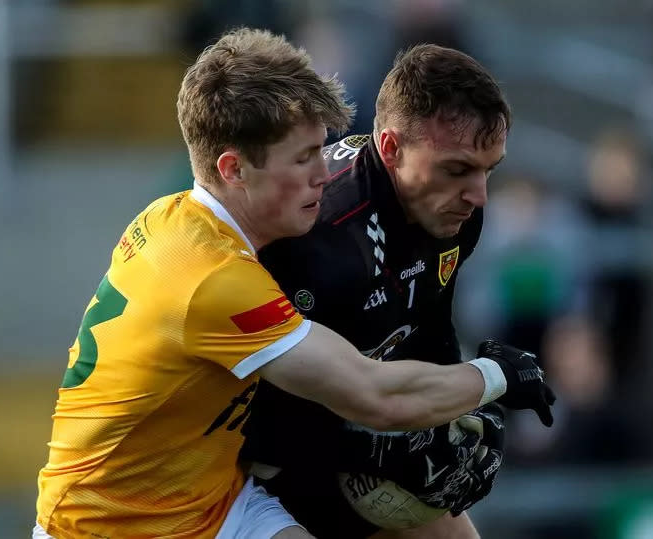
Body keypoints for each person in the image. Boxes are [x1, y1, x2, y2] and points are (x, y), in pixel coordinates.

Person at [33, 28, 555, 539]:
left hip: (216, 502)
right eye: (304, 158)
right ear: (234, 170)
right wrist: (496, 375)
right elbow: (371, 394)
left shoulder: (185, 221)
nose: (323, 174)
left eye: (322, 150)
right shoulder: (215, 279)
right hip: (107, 524)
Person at [240, 44, 554, 539]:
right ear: (391, 148)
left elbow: (425, 329)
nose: (478, 195)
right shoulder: (316, 235)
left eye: (488, 170)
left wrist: (463, 411)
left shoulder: (454, 211)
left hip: (347, 435)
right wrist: (373, 448)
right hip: (244, 473)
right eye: (457, 169)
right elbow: (255, 410)